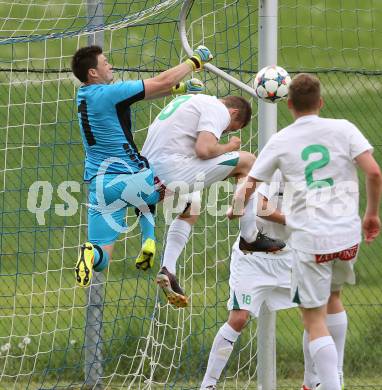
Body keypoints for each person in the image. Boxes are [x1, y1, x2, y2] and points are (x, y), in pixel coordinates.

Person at [227, 73, 382, 390]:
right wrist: (371, 215)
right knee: (334, 299)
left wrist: (236, 208)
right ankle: (328, 379)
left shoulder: (282, 139)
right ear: (321, 102)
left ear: (289, 103)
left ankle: (330, 385)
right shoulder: (344, 129)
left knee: (313, 319)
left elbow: (249, 186)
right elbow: (374, 172)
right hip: (348, 235)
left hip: (312, 238)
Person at [71, 44, 213, 287]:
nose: (110, 65)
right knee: (177, 191)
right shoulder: (109, 93)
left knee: (102, 259)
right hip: (129, 177)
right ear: (93, 73)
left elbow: (145, 93)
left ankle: (88, 253)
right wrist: (194, 62)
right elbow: (162, 81)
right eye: (105, 62)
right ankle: (150, 241)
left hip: (100, 185)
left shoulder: (85, 96)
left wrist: (180, 90)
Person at [141, 93, 285, 308]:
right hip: (171, 171)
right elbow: (204, 149)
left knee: (192, 205)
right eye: (232, 128)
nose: (227, 131)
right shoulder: (217, 109)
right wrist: (230, 146)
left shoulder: (190, 100)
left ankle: (168, 269)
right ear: (233, 113)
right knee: (249, 162)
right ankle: (250, 236)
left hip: (145, 175)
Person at [200, 170, 296, 390]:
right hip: (253, 258)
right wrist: (289, 219)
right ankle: (208, 385)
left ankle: (314, 383)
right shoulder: (280, 170)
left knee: (315, 315)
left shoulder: (319, 177)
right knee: (238, 319)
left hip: (290, 257)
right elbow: (260, 204)